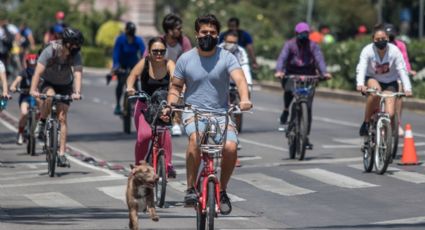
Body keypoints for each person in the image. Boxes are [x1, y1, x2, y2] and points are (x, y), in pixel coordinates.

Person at [162, 14, 252, 215]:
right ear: (196, 34)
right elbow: (175, 87)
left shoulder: (227, 57)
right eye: (204, 32)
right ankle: (190, 188)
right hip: (193, 112)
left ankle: (223, 189)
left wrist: (245, 98)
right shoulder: (185, 59)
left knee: (230, 147)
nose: (208, 35)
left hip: (221, 113)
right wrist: (171, 104)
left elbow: (240, 79)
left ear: (218, 35)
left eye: (212, 32)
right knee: (195, 140)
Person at [30, 27, 84, 167]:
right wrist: (33, 90)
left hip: (65, 85)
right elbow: (37, 72)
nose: (77, 48)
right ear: (67, 43)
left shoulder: (75, 54)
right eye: (75, 44)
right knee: (49, 96)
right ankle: (42, 121)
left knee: (62, 117)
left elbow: (77, 73)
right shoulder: (51, 50)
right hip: (48, 82)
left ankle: (61, 154)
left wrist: (77, 92)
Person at [275, 22, 331, 150]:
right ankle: (285, 110)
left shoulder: (313, 46)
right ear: (296, 34)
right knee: (289, 89)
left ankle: (305, 136)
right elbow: (282, 59)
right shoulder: (289, 44)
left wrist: (324, 73)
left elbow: (319, 59)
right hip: (292, 74)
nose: (303, 37)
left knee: (308, 107)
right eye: (301, 34)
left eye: (306, 34)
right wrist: (279, 71)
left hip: (309, 76)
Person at [126, 37, 177, 178]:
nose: (159, 54)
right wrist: (130, 87)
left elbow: (177, 80)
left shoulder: (169, 64)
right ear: (149, 52)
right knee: (144, 136)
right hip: (144, 105)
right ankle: (138, 166)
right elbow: (132, 75)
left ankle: (168, 164)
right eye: (155, 51)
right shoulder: (144, 63)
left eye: (162, 51)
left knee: (164, 133)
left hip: (163, 106)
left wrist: (180, 90)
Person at [356, 24, 412, 136]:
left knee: (390, 113)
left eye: (383, 39)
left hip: (390, 82)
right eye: (377, 39)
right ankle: (366, 122)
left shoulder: (395, 51)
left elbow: (402, 69)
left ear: (387, 39)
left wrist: (407, 88)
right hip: (373, 78)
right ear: (373, 39)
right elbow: (361, 67)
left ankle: (384, 138)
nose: (380, 41)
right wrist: (360, 83)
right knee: (375, 92)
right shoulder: (367, 50)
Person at [161, 13, 192, 136]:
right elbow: (147, 57)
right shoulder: (159, 41)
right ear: (169, 30)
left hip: (179, 75)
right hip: (161, 74)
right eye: (178, 28)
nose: (181, 30)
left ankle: (176, 123)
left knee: (179, 95)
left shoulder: (184, 41)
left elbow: (189, 60)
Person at [384, 23, 416, 136]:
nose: (390, 39)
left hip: (396, 76)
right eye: (388, 37)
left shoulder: (400, 45)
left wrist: (409, 70)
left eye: (391, 37)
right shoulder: (379, 46)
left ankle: (396, 124)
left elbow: (404, 59)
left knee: (399, 92)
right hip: (381, 76)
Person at [111, 21, 145, 115]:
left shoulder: (138, 40)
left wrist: (145, 64)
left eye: (132, 33)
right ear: (126, 31)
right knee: (120, 83)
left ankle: (136, 104)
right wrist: (116, 66)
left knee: (135, 84)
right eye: (129, 33)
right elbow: (116, 53)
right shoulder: (120, 39)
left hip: (133, 64)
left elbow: (144, 53)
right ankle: (118, 105)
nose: (130, 37)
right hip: (121, 65)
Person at [10, 53, 38, 145]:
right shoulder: (24, 72)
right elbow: (17, 80)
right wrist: (13, 86)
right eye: (30, 64)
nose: (32, 66)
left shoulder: (39, 73)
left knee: (42, 109)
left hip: (35, 96)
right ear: (27, 63)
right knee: (24, 113)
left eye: (34, 64)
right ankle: (21, 133)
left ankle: (39, 126)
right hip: (25, 96)